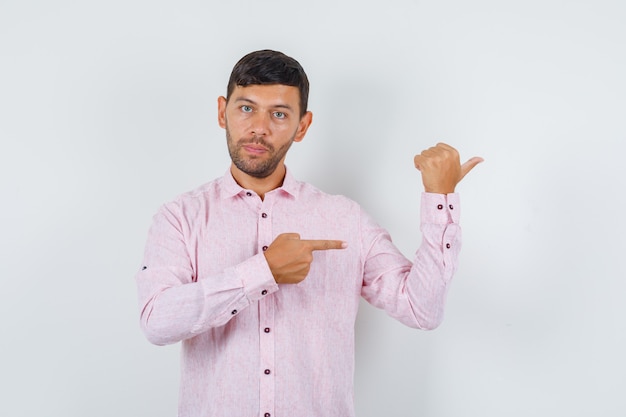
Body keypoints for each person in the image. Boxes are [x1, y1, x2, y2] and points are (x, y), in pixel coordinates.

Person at [136, 49, 482, 417]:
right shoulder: (181, 217)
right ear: (222, 112)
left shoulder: (344, 219)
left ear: (302, 126)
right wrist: (262, 271)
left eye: (279, 114)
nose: (259, 128)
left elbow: (421, 309)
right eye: (246, 108)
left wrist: (439, 198)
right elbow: (156, 321)